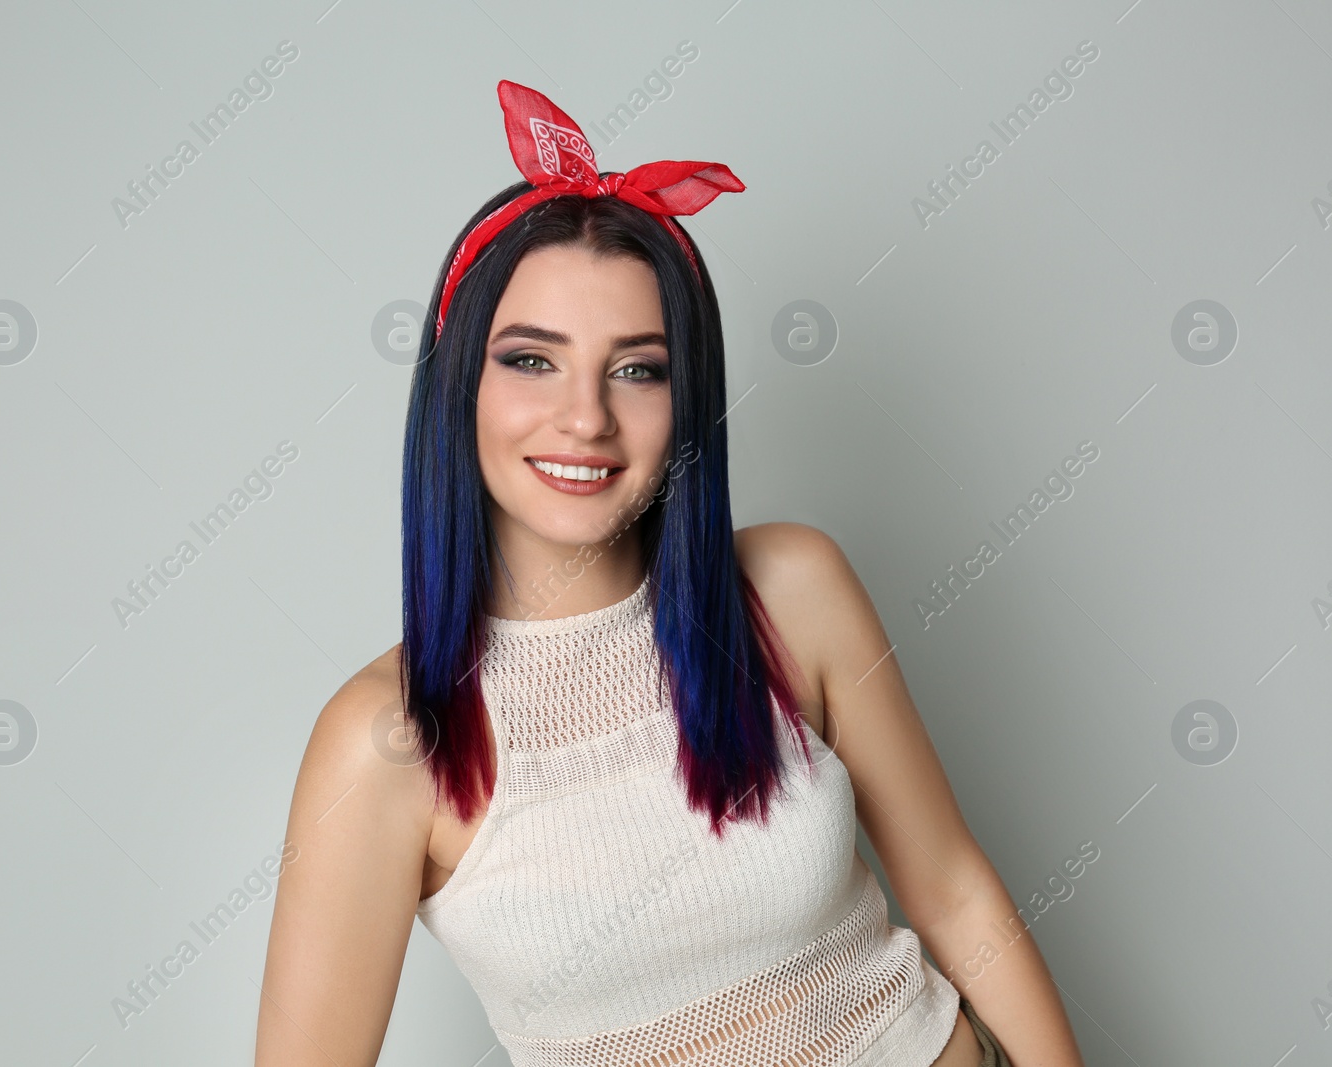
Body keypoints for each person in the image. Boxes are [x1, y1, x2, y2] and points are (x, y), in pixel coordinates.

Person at [254, 80, 1084, 1067]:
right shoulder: (383, 744)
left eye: (637, 369)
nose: (585, 417)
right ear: (457, 383)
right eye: (530, 360)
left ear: (687, 400)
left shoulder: (793, 590)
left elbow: (953, 889)